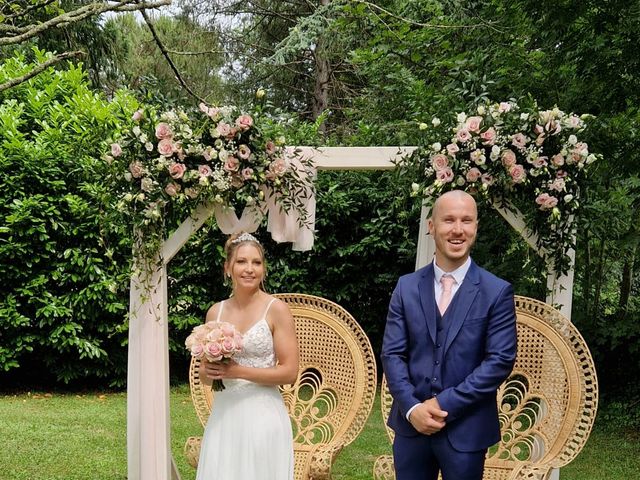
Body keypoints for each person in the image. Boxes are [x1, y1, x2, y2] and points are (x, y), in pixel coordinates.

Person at [381, 190, 517, 480]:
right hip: (411, 429)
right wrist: (413, 407)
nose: (458, 229)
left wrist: (444, 404)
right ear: (432, 227)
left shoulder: (496, 291)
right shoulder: (406, 287)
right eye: (449, 220)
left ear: (476, 227)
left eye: (466, 220)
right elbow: (392, 354)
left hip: (467, 431)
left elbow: (499, 361)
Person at [195, 232, 299, 480]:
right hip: (225, 416)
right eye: (241, 261)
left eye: (256, 262)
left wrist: (238, 372)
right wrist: (209, 372)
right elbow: (204, 374)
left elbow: (289, 372)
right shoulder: (215, 312)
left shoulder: (277, 310)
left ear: (263, 269)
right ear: (228, 268)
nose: (249, 269)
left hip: (263, 418)